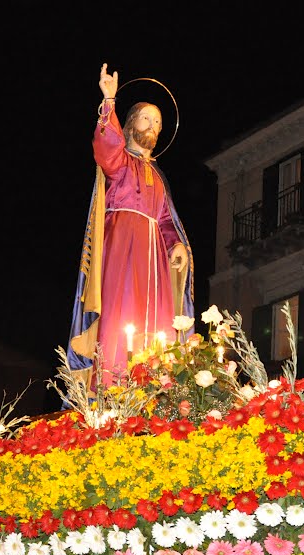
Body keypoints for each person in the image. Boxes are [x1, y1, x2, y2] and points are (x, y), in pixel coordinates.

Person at [68, 63, 193, 388]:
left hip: (156, 263)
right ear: (130, 123)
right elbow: (106, 150)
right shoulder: (121, 163)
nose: (153, 125)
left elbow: (166, 220)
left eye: (158, 122)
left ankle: (154, 388)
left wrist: (176, 244)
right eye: (146, 118)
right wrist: (108, 102)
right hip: (123, 248)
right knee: (121, 314)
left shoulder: (159, 177)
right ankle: (114, 388)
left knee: (158, 325)